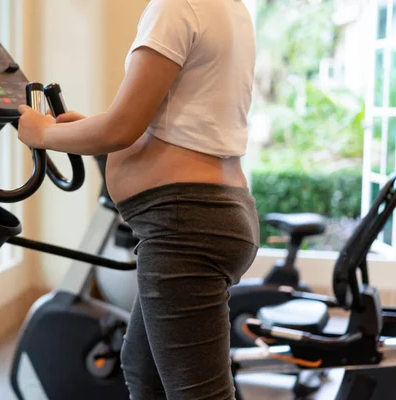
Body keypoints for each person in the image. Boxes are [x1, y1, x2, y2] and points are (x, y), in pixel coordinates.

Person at [17, 0, 259, 398]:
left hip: (183, 225)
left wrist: (41, 134)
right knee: (142, 371)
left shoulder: (176, 7)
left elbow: (122, 129)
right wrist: (89, 129)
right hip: (210, 211)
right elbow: (176, 123)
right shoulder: (229, 9)